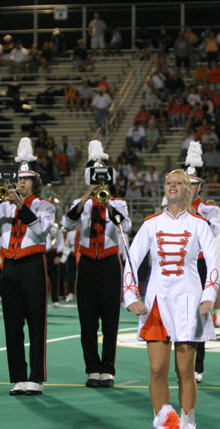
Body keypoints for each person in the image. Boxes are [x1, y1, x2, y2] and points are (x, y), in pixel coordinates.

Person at [123, 168, 219, 429]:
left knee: (185, 370)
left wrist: (208, 296)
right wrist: (131, 297)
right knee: (156, 369)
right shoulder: (151, 224)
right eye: (168, 183)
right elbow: (131, 260)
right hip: (157, 301)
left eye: (178, 183)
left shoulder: (200, 224)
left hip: (189, 300)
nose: (172, 186)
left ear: (188, 190)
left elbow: (212, 263)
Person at [0, 138, 55, 396]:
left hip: (32, 264)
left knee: (36, 323)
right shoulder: (3, 205)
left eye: (26, 179)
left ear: (35, 181)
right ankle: (18, 376)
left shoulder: (45, 206)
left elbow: (42, 229)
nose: (21, 183)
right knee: (12, 324)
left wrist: (21, 205)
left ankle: (35, 376)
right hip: (9, 266)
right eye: (18, 178)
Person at [62, 140, 131, 388]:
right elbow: (68, 223)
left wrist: (107, 202)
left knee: (110, 318)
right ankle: (92, 368)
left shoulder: (118, 203)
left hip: (110, 262)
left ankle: (108, 368)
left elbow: (126, 226)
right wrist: (87, 198)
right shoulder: (80, 204)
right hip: (88, 263)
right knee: (87, 319)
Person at [184, 142, 220, 383]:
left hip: (199, 265)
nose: (189, 188)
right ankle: (183, 364)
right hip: (180, 266)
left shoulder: (209, 209)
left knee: (199, 314)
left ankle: (198, 366)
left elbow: (213, 232)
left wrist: (190, 211)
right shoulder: (171, 207)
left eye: (193, 184)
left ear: (200, 186)